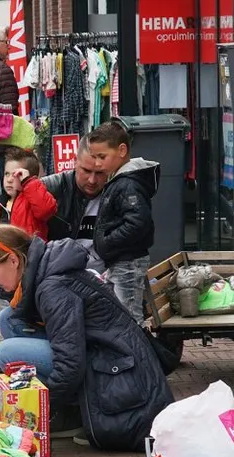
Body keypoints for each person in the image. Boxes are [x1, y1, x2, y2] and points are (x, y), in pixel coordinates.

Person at [0, 224, 174, 451]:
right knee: (9, 318)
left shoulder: (53, 288)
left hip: (113, 368)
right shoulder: (46, 270)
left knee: (7, 352)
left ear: (13, 260)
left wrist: (25, 406)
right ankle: (69, 411)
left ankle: (73, 413)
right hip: (104, 355)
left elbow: (70, 363)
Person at [88, 122, 159, 325]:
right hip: (120, 261)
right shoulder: (120, 181)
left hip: (126, 261)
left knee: (128, 318)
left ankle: (137, 356)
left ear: (121, 150)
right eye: (94, 157)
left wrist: (108, 242)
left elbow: (138, 223)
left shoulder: (127, 184)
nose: (98, 163)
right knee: (124, 314)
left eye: (102, 157)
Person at [42, 141, 109, 272]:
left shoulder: (117, 192)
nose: (92, 180)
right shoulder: (49, 189)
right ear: (74, 162)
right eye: (86, 171)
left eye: (100, 173)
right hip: (61, 279)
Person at [0, 148, 56, 240]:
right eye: (7, 174)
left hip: (29, 252)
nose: (9, 179)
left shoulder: (32, 201)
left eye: (16, 174)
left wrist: (29, 182)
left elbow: (46, 210)